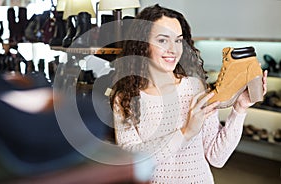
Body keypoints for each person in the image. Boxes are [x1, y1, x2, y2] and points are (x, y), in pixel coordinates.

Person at [110, 4, 268, 183]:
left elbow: (217, 158)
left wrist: (240, 109)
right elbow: (132, 161)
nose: (173, 49)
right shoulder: (125, 98)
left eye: (178, 40)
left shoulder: (195, 88)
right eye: (163, 40)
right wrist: (185, 133)